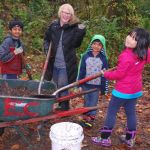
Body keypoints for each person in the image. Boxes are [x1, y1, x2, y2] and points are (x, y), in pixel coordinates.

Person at [91, 28, 150, 147]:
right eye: (129, 35)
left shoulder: (126, 56)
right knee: (131, 113)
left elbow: (118, 74)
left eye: (134, 39)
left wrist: (105, 74)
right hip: (135, 90)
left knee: (111, 112)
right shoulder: (145, 53)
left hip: (122, 91)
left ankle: (104, 138)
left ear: (140, 43)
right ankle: (129, 139)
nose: (129, 39)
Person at [43, 3, 86, 110]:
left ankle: (65, 106)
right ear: (60, 13)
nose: (66, 15)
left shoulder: (73, 28)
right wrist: (47, 48)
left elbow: (76, 44)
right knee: (55, 85)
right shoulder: (54, 26)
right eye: (64, 12)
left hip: (66, 64)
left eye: (68, 13)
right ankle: (58, 104)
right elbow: (47, 39)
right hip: (53, 62)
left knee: (63, 85)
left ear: (71, 15)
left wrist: (81, 32)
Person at [77, 34, 108, 128]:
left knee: (93, 103)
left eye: (99, 44)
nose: (96, 46)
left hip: (96, 86)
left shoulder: (103, 59)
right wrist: (79, 84)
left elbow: (105, 75)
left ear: (102, 47)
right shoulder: (85, 56)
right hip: (86, 85)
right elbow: (81, 71)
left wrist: (104, 89)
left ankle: (90, 119)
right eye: (94, 43)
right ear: (91, 44)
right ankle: (85, 118)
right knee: (86, 102)